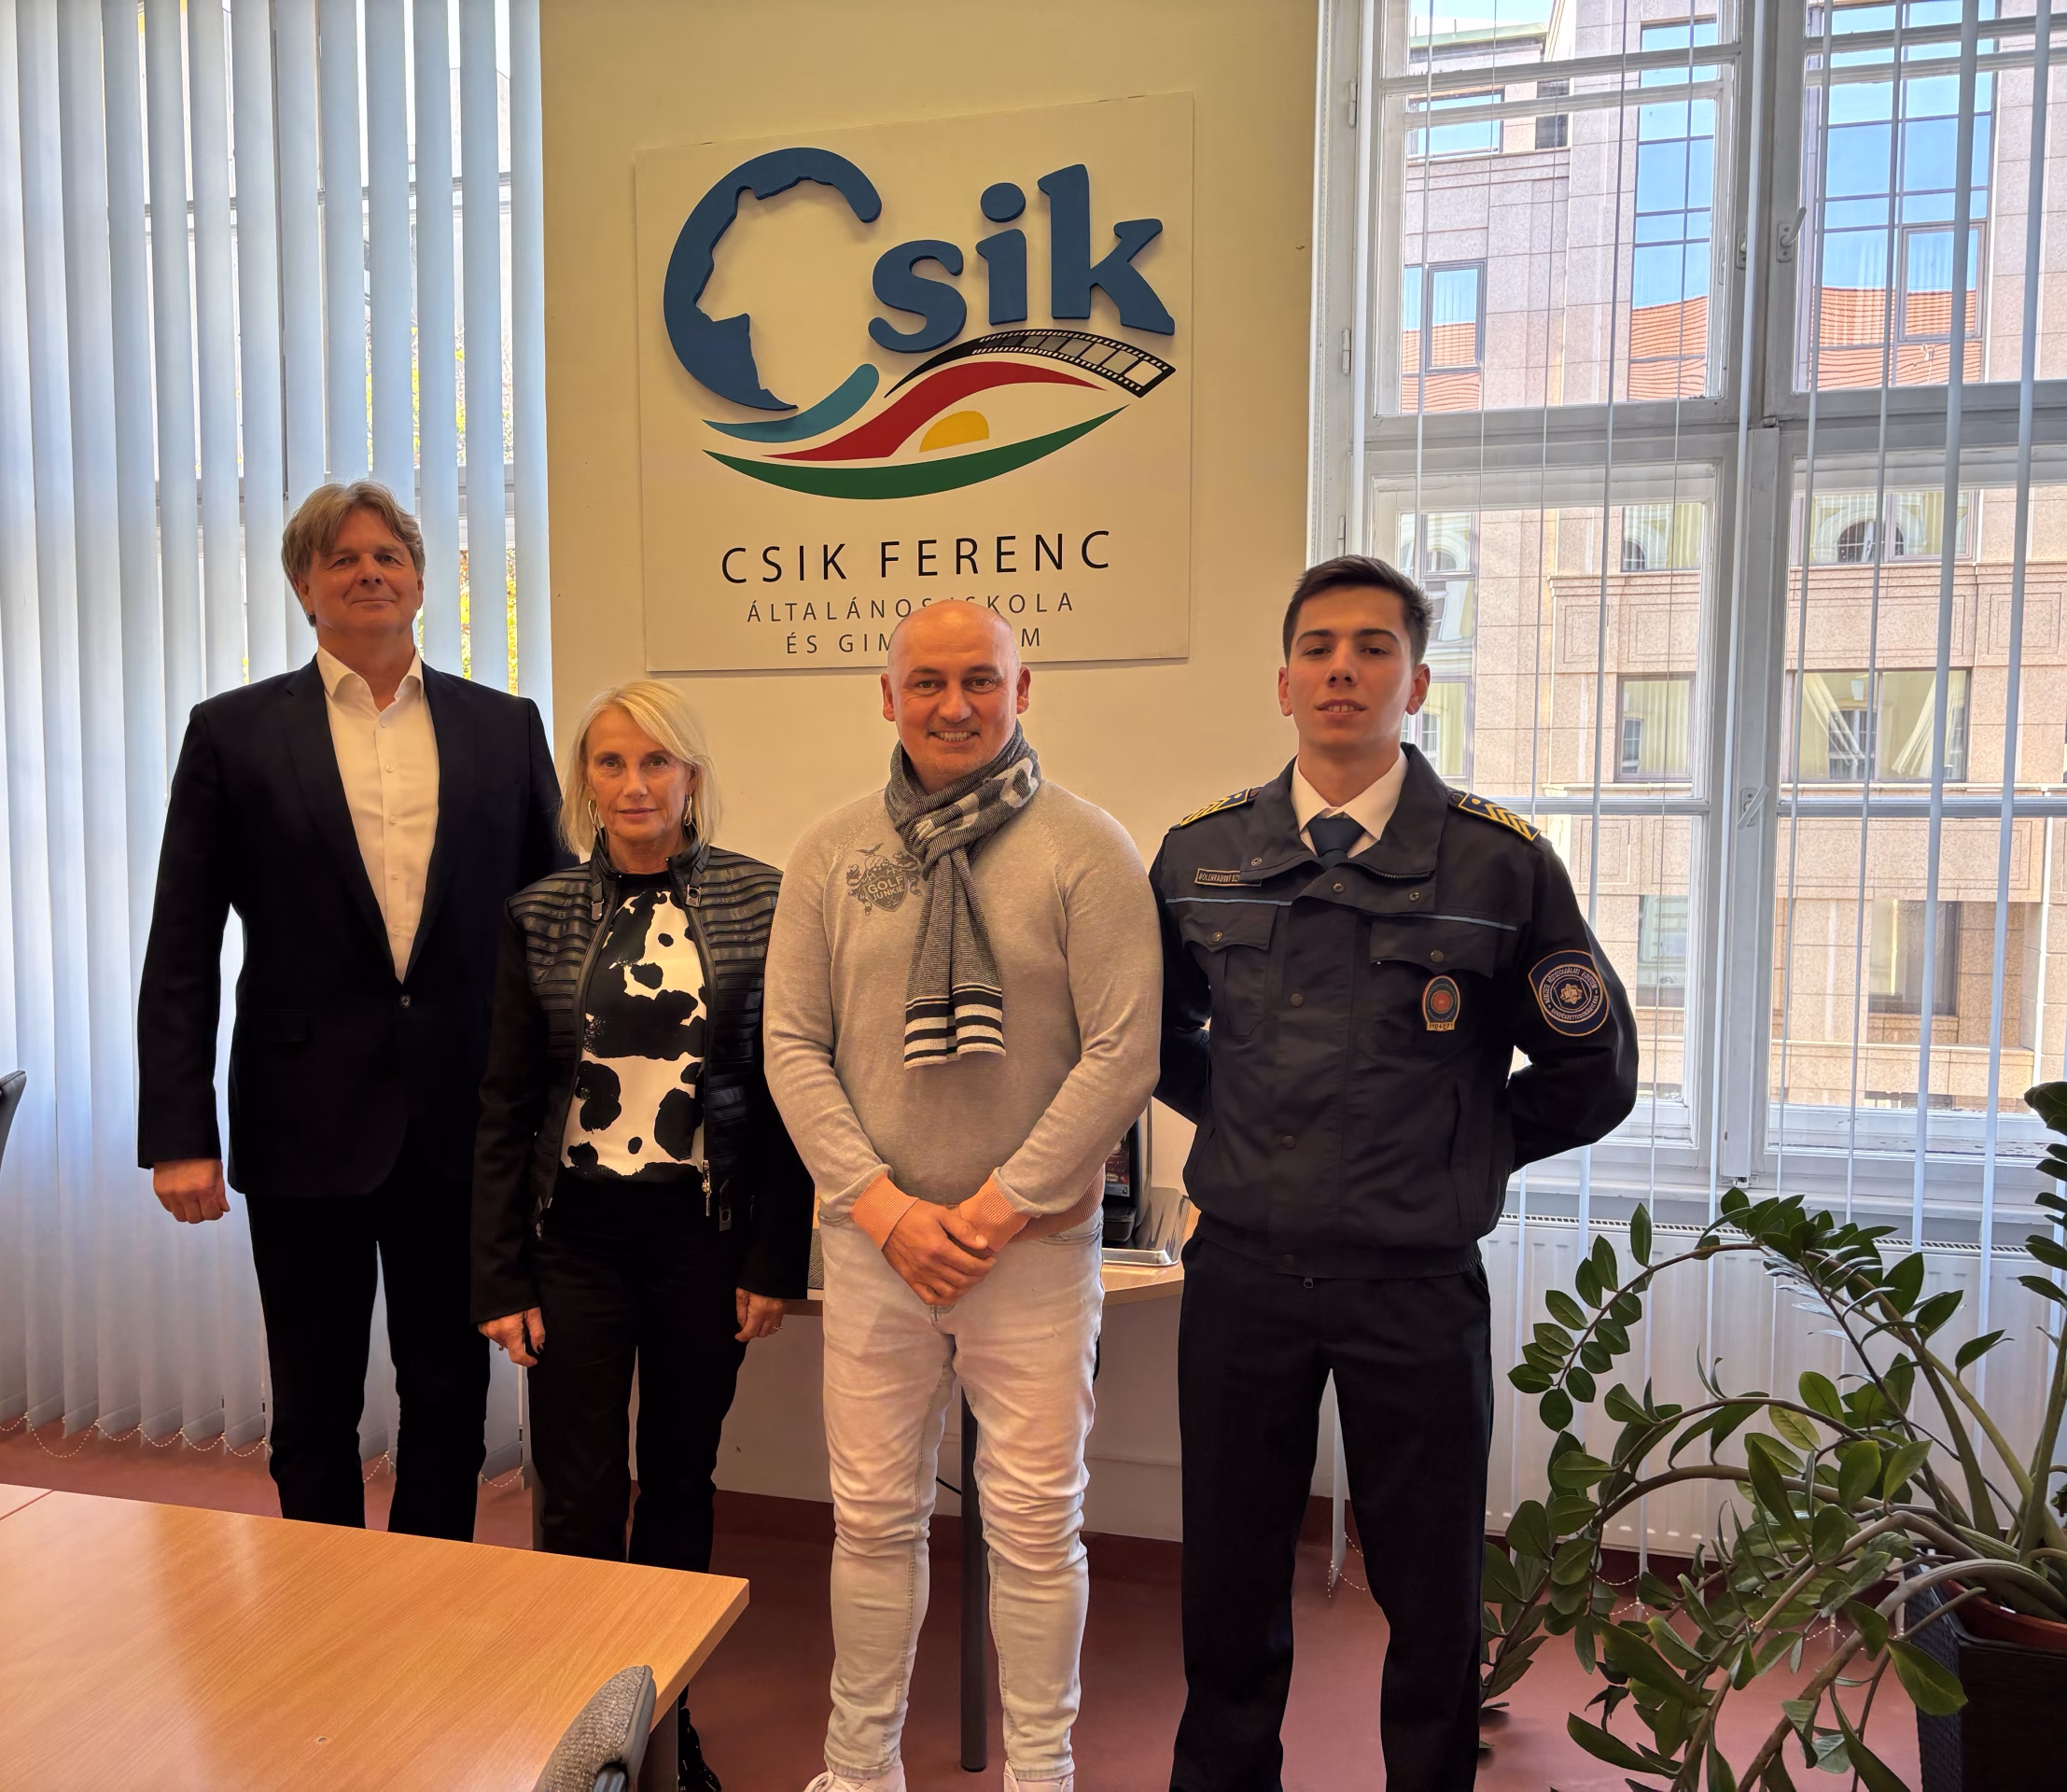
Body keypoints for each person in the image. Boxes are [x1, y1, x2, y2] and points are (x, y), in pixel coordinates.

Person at [1155, 555, 1639, 1792]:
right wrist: (1247, 1117)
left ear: (1416, 683)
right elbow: (1149, 1036)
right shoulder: (1200, 856)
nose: (1343, 669)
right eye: (1318, 648)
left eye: (1373, 648)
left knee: (1431, 1594)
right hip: (1244, 1278)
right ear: (1282, 682)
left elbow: (1592, 1068)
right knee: (1228, 1583)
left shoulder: (1498, 864)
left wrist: (1461, 1142)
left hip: (1414, 1284)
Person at [765, 600, 1162, 1792]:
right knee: (871, 1523)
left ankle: (1041, 1773)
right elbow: (792, 1047)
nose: (954, 706)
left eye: (979, 680)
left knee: (1036, 1531)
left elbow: (1124, 1054)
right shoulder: (829, 854)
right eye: (928, 682)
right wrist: (885, 1211)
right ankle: (859, 1768)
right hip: (873, 1250)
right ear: (887, 698)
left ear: (1021, 690)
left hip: (1030, 1256)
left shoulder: (1087, 849)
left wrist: (996, 1212)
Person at [136, 480, 566, 1539]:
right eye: (342, 558)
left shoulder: (503, 728)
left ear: (419, 582)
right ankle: (317, 1599)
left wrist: (559, 1112)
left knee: (449, 1393)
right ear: (304, 587)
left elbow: (553, 926)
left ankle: (431, 1587)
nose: (369, 572)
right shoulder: (232, 733)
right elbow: (183, 943)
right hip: (301, 1120)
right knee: (313, 1398)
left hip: (463, 1123)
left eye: (389, 556)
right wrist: (179, 1134)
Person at [472, 679, 811, 1792]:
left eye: (655, 761)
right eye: (611, 762)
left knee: (677, 1482)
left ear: (691, 777)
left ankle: (666, 1723)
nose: (633, 784)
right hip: (571, 1240)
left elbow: (785, 1095)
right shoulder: (539, 913)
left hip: (700, 1243)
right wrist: (498, 1276)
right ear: (585, 779)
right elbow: (506, 1103)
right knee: (573, 1493)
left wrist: (773, 1259)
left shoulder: (761, 901)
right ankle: (580, 1729)